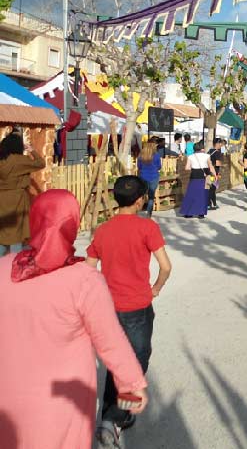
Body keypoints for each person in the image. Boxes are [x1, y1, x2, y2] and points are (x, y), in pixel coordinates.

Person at [0, 189, 148, 449]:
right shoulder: (84, 280)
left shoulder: (5, 268)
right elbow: (110, 340)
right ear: (73, 224)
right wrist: (132, 383)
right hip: (63, 401)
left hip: (8, 394)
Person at [86, 176, 171, 447]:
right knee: (135, 360)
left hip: (109, 307)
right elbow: (166, 266)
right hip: (137, 306)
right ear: (139, 200)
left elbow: (89, 270)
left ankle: (113, 416)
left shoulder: (103, 230)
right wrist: (155, 288)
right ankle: (114, 417)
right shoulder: (147, 227)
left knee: (116, 361)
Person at [0, 132, 46, 256]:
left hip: (1, 200)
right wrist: (31, 150)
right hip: (17, 200)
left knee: (2, 233)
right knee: (17, 233)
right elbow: (41, 163)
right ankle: (15, 264)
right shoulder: (20, 161)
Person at [179, 141, 215, 219]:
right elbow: (211, 166)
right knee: (203, 195)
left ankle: (189, 213)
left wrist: (193, 166)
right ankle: (201, 213)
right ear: (202, 148)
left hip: (194, 176)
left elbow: (187, 168)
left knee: (191, 194)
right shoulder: (207, 156)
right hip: (204, 177)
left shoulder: (191, 156)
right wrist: (215, 175)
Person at [137, 139, 162, 218]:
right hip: (154, 177)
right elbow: (159, 167)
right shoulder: (157, 155)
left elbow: (139, 166)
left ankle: (137, 210)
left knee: (142, 195)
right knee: (151, 196)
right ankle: (148, 213)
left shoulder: (141, 155)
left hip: (143, 176)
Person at [207, 138, 224, 210]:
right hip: (214, 173)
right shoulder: (217, 152)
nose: (221, 145)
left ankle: (211, 204)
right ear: (217, 143)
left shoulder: (209, 151)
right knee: (213, 189)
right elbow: (217, 163)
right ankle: (211, 204)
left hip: (208, 172)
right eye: (220, 143)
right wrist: (222, 165)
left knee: (210, 188)